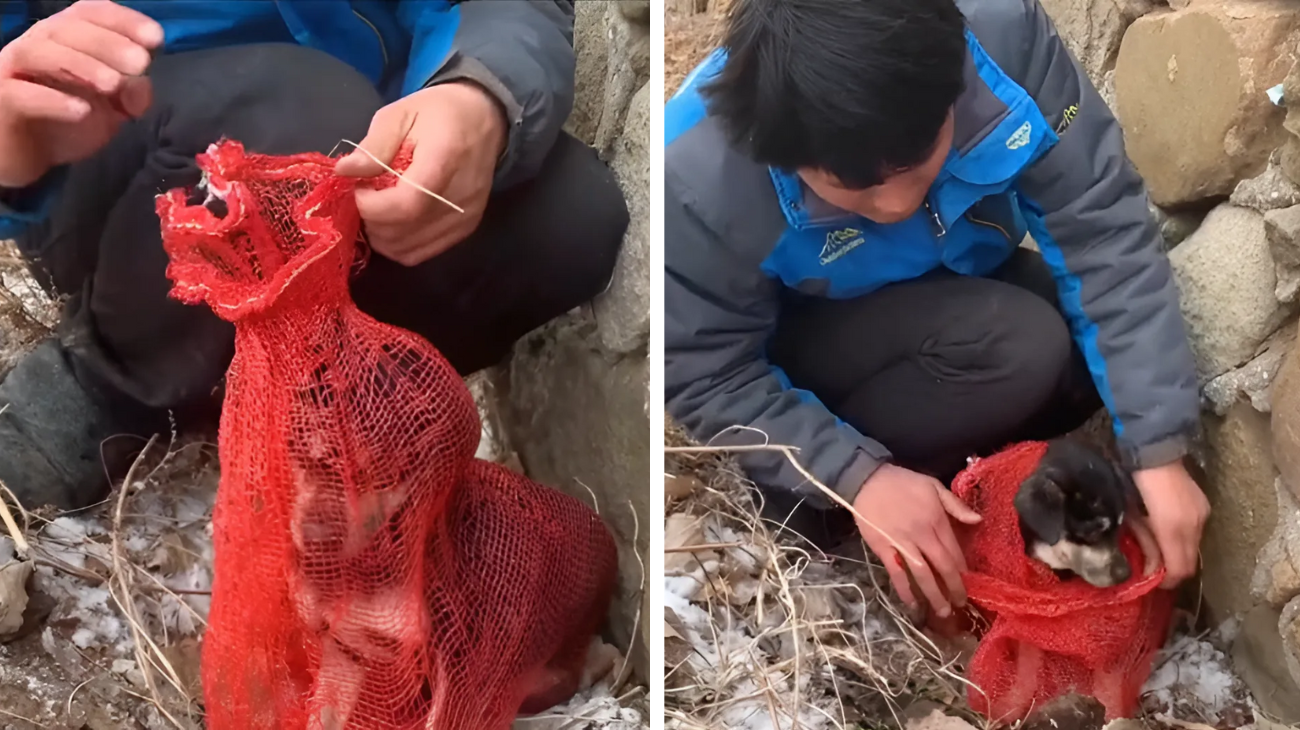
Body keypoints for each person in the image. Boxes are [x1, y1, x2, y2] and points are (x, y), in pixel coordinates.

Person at [664, 0, 1210, 619]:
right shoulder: (697, 173)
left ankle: (956, 483)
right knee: (1022, 345)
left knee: (1086, 357)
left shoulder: (1000, 40)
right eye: (853, 186)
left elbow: (1098, 226)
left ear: (953, 85)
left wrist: (1157, 449)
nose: (896, 201)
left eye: (916, 161)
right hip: (808, 344)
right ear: (784, 155)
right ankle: (825, 505)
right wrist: (854, 476)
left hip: (950, 281)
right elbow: (706, 372)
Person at [0, 0, 628, 510]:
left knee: (572, 218)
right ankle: (109, 383)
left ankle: (313, 401)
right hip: (116, 172)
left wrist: (480, 90)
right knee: (298, 104)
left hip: (353, 157)